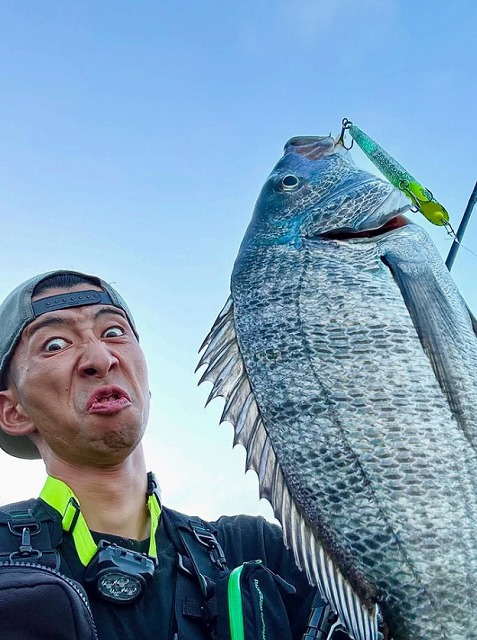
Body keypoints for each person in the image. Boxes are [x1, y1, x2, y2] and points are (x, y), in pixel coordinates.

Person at [0, 269, 328, 640]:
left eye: (114, 332)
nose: (101, 358)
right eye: (55, 344)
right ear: (13, 412)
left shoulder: (256, 548)